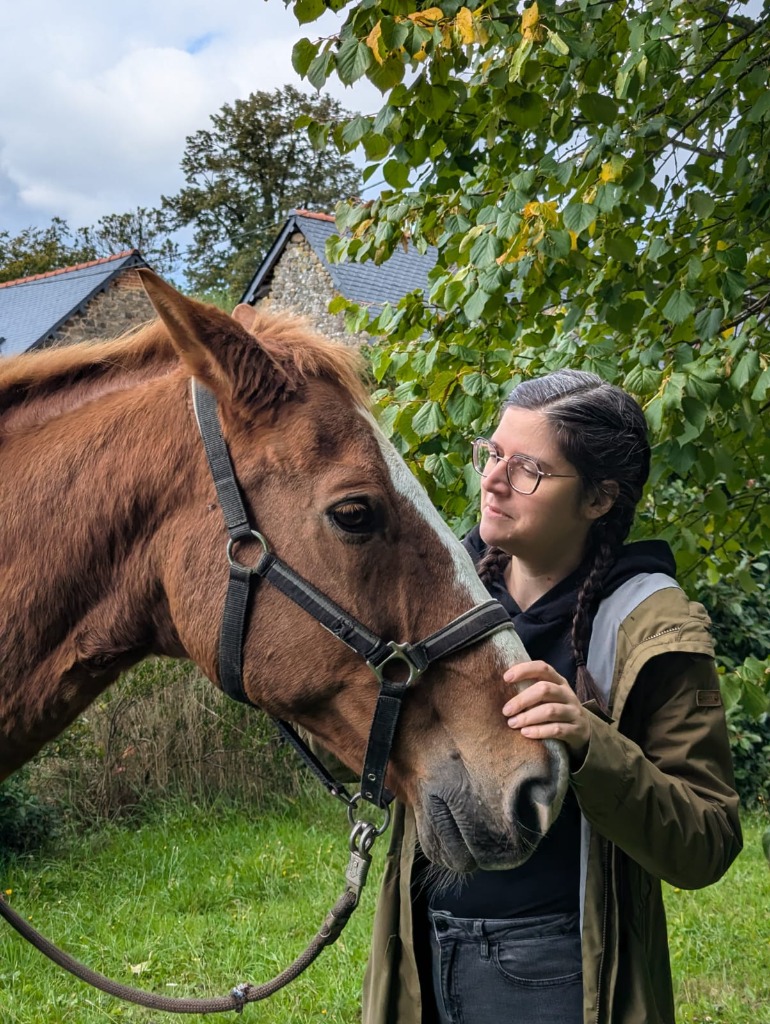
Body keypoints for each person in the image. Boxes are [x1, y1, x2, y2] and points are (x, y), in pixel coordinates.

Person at [362, 369, 742, 1024]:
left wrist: (590, 742)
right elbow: (359, 755)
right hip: (420, 953)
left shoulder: (650, 626)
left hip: (561, 967)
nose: (493, 480)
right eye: (493, 453)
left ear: (598, 499)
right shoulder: (436, 592)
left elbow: (706, 842)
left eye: (530, 469)